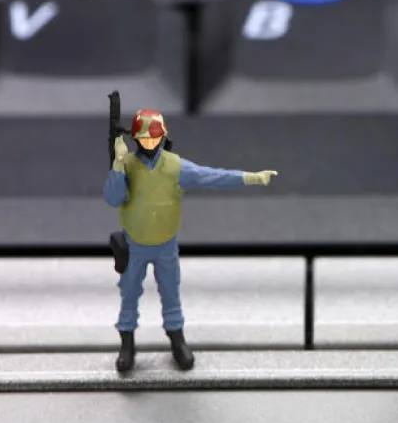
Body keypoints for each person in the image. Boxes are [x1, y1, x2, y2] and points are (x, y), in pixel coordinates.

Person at [103, 108, 277, 373]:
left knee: (170, 293)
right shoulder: (127, 165)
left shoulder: (175, 167)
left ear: (162, 137)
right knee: (128, 294)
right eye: (145, 138)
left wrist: (250, 177)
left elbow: (212, 176)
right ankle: (127, 344)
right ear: (135, 139)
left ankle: (177, 339)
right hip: (134, 244)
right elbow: (113, 198)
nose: (149, 143)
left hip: (165, 245)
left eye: (154, 138)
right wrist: (117, 165)